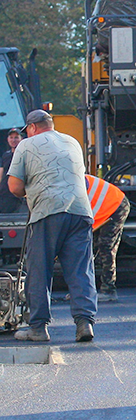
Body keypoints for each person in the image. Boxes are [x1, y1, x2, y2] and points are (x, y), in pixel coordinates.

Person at [8, 109, 98, 343]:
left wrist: (30, 192)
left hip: (47, 212)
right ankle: (84, 323)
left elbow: (14, 186)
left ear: (32, 128)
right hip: (80, 212)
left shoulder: (26, 145)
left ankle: (38, 328)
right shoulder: (72, 141)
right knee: (80, 270)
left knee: (39, 269)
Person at [85, 174, 130, 303]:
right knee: (87, 248)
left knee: (106, 246)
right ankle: (84, 290)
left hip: (115, 206)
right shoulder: (69, 181)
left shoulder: (74, 186)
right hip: (103, 208)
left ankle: (109, 289)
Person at [0, 129, 23, 213]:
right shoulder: (6, 155)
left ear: (21, 139)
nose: (13, 140)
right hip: (4, 194)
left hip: (16, 195)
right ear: (8, 139)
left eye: (16, 137)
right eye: (11, 137)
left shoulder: (24, 155)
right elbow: (1, 172)